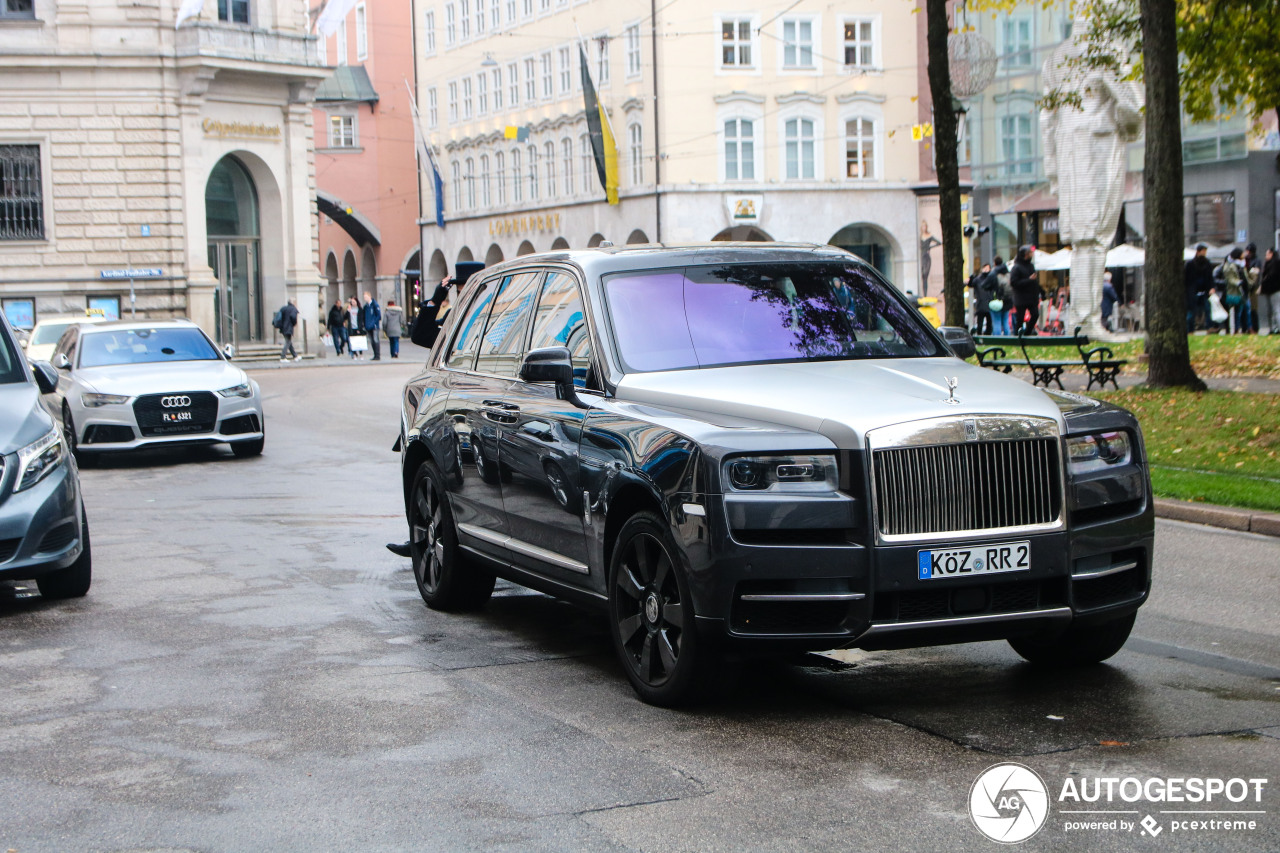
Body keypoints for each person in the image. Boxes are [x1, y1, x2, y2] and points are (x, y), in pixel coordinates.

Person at [1009, 245, 1041, 335]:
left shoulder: (1031, 266)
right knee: (1020, 318)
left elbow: (1034, 281)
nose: (1032, 254)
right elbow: (1014, 283)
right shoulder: (1016, 267)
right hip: (1021, 297)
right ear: (1026, 255)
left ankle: (1027, 333)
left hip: (1031, 297)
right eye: (1030, 253)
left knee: (1035, 315)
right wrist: (1028, 280)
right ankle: (1017, 336)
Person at [1185, 243, 1214, 332]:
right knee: (1191, 312)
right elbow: (1186, 278)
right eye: (1203, 251)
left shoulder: (1207, 263)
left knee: (1207, 309)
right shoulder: (1190, 264)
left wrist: (1211, 287)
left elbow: (1210, 277)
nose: (1204, 253)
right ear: (1198, 252)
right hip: (1192, 291)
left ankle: (1209, 327)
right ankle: (1190, 329)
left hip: (1205, 290)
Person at [988, 256, 1011, 335]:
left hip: (996, 301)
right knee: (1005, 321)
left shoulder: (994, 274)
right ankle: (1008, 338)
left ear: (994, 263)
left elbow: (985, 285)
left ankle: (997, 339)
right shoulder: (1007, 273)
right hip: (1007, 300)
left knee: (997, 321)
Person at [969, 264, 993, 335]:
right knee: (981, 322)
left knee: (987, 322)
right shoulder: (980, 279)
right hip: (983, 303)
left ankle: (984, 334)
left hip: (984, 303)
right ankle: (982, 334)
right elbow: (971, 284)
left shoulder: (980, 279)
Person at [1261, 247, 1280, 335]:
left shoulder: (1275, 263)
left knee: (1276, 309)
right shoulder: (1269, 263)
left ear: (1271, 254)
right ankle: (1273, 328)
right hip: (1270, 290)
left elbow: (1270, 276)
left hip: (1274, 289)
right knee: (1272, 310)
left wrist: (1264, 281)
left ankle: (1277, 327)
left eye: (1267, 254)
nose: (1266, 256)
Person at [362, 291, 382, 360]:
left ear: (369, 297)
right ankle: (375, 354)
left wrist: (373, 323)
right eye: (364, 297)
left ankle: (377, 355)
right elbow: (364, 316)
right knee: (372, 341)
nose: (365, 298)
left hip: (374, 326)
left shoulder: (375, 305)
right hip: (368, 326)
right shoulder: (365, 307)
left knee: (375, 340)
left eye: (366, 297)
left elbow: (378, 316)